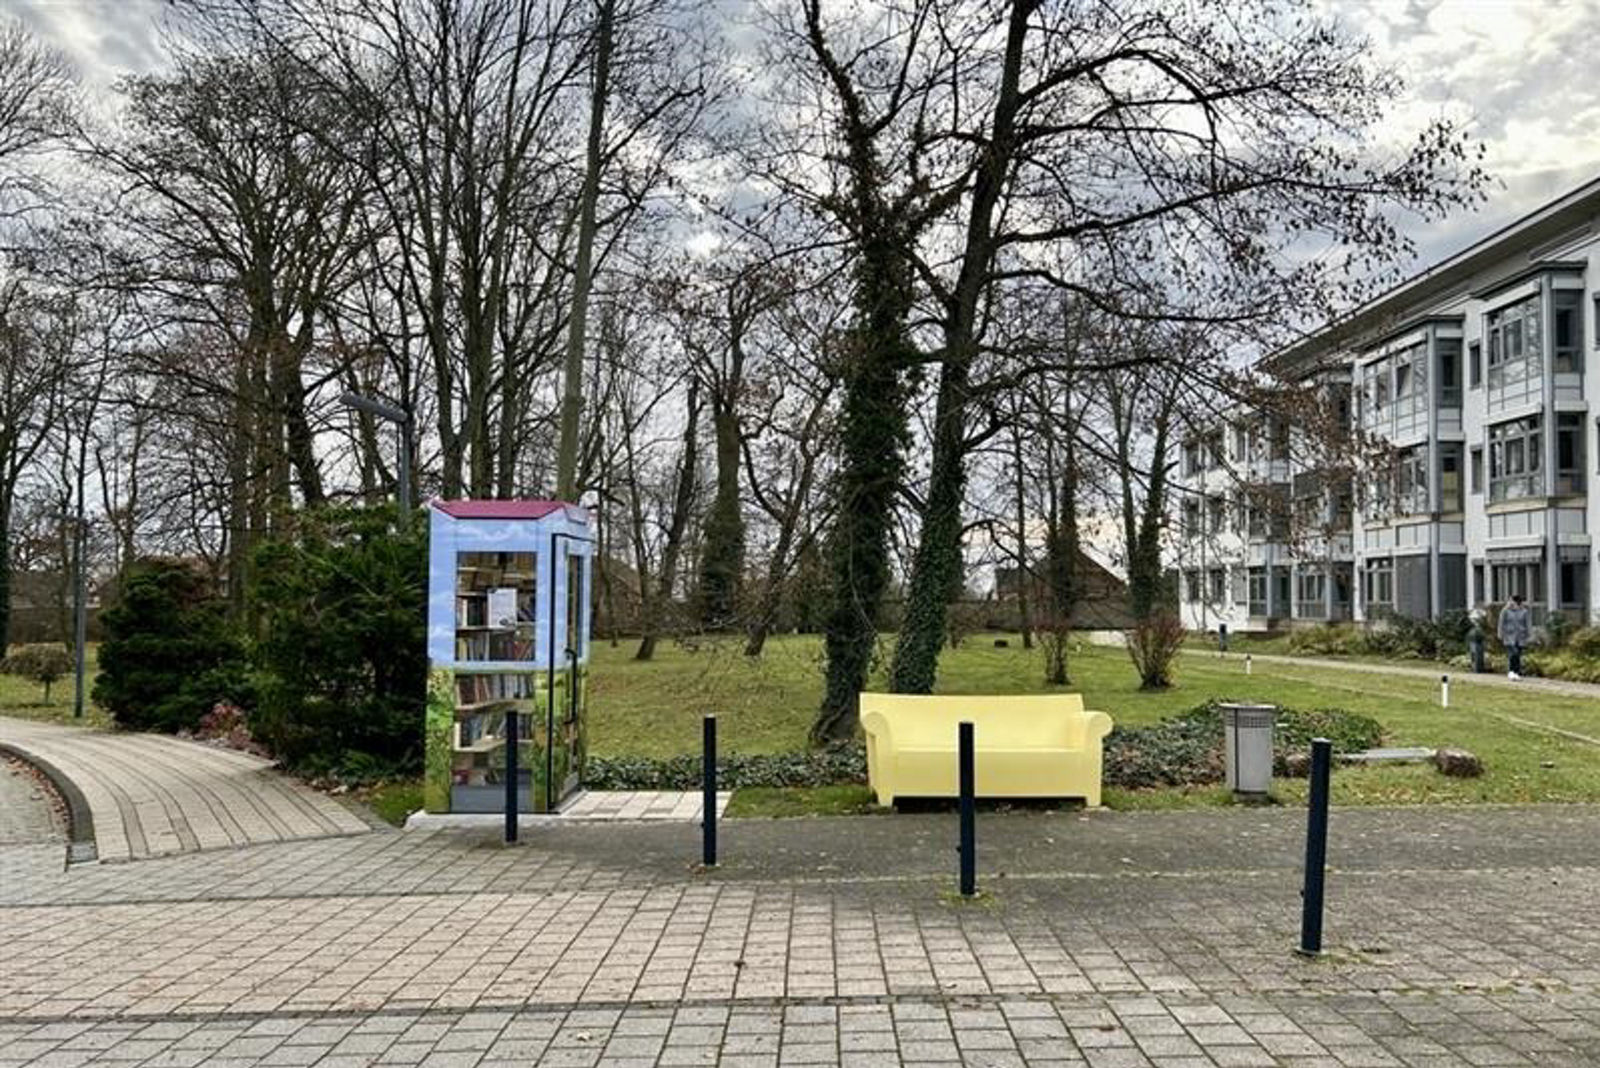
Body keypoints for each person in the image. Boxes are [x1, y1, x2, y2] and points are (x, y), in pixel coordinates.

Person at [1497, 593, 1532, 680]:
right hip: (1509, 636)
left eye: (1512, 601)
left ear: (1517, 602)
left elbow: (1527, 624)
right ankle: (1512, 671)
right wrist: (1500, 634)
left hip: (1520, 637)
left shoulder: (1524, 611)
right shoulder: (1505, 611)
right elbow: (1501, 623)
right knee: (1513, 653)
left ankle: (1516, 672)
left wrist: (1529, 635)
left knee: (1517, 655)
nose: (1510, 603)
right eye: (1509, 601)